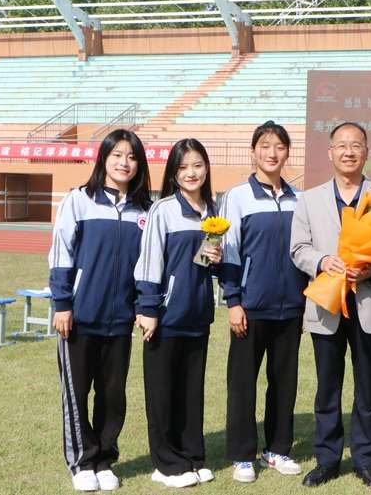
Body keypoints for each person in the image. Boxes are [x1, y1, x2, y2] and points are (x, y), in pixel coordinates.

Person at [290, 122, 371, 489]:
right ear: (330, 152)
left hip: (370, 304)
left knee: (368, 387)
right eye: (342, 145)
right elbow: (298, 249)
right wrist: (322, 261)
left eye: (356, 145)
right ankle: (327, 460)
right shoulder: (309, 199)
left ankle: (365, 460)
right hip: (327, 305)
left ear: (366, 152)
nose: (349, 151)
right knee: (328, 387)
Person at [49, 129, 152, 492]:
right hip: (79, 317)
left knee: (113, 394)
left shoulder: (144, 210)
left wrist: (141, 306)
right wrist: (63, 303)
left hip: (120, 320)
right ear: (104, 158)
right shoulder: (79, 200)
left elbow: (147, 266)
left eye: (132, 157)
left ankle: (105, 459)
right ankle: (81, 461)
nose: (125, 163)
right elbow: (61, 252)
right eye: (117, 155)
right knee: (77, 393)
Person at [219, 121, 307, 482]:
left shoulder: (300, 198)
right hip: (250, 307)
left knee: (284, 382)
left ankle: (278, 449)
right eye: (265, 146)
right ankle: (242, 455)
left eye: (279, 147)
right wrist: (233, 301)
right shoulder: (237, 196)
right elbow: (229, 251)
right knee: (243, 383)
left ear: (287, 153)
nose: (272, 153)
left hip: (291, 308)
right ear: (254, 151)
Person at [134, 138, 223, 489]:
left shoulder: (212, 211)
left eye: (197, 165)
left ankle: (192, 457)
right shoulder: (163, 210)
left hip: (197, 315)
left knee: (191, 391)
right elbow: (150, 260)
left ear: (206, 168)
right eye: (183, 167)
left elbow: (201, 264)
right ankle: (166, 464)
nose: (191, 173)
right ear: (173, 172)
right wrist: (148, 308)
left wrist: (213, 259)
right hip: (166, 316)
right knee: (162, 392)